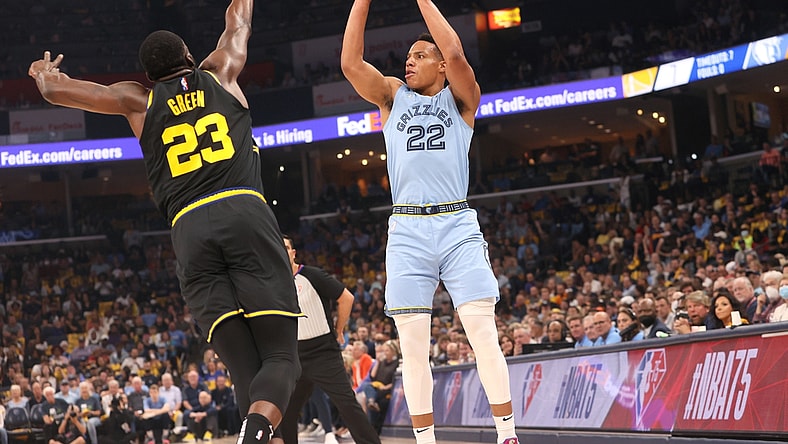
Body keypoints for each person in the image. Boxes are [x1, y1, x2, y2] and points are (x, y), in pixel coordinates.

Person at [28, 1, 302, 442]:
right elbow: (239, 21)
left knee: (242, 367)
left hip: (189, 228)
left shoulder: (137, 100)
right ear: (190, 57)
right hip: (243, 210)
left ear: (148, 74)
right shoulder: (220, 71)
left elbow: (57, 93)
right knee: (282, 358)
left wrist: (44, 73)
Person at [341, 2, 519, 443]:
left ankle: (507, 434)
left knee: (482, 332)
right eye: (409, 57)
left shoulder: (460, 100)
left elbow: (456, 53)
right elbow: (349, 63)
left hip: (456, 223)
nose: (410, 61)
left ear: (439, 65)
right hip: (407, 232)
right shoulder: (391, 96)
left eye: (420, 55)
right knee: (413, 348)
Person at [273, 236, 380, 444]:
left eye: (286, 247)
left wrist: (339, 330)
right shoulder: (272, 284)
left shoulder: (311, 274)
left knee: (347, 404)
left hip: (323, 351)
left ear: (293, 252)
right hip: (294, 356)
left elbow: (346, 298)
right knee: (286, 411)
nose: (282, 251)